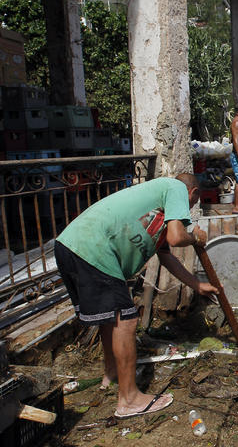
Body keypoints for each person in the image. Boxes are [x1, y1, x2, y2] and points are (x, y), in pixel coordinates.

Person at [55, 174, 218, 419]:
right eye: (194, 202)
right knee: (126, 320)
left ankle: (111, 375)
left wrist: (197, 285)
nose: (190, 208)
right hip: (95, 249)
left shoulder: (157, 208)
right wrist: (196, 237)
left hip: (71, 245)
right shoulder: (174, 187)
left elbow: (166, 255)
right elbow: (177, 237)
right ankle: (129, 399)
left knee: (111, 318)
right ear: (193, 193)